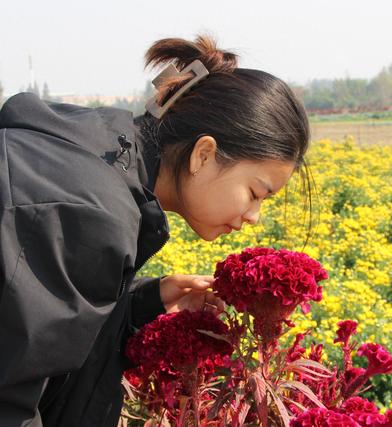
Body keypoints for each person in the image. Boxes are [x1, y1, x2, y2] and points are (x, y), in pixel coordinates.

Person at [0, 34, 313, 426]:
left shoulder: (98, 158)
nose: (254, 216)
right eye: (255, 192)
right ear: (204, 154)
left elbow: (26, 312)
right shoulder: (91, 212)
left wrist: (143, 302)